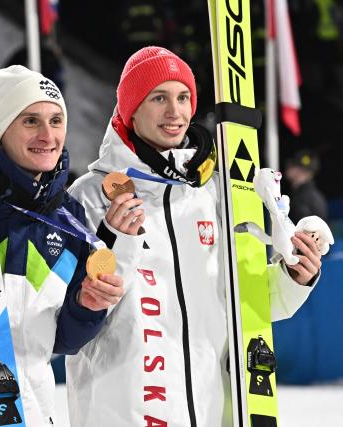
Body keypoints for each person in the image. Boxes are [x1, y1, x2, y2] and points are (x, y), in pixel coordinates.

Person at [65, 47, 324, 427]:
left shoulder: (216, 193)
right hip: (123, 413)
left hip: (209, 410)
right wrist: (114, 241)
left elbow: (246, 302)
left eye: (183, 97)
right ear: (130, 109)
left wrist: (293, 277)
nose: (175, 112)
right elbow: (68, 319)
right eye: (159, 98)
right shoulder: (88, 196)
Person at [0, 65, 128, 426]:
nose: (47, 135)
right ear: (0, 130)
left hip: (33, 413)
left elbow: (59, 341)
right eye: (30, 121)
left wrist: (86, 307)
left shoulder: (68, 217)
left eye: (56, 120)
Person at [284, 149, 328, 224]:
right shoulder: (310, 195)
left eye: (291, 165)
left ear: (300, 171)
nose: (287, 167)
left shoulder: (304, 198)